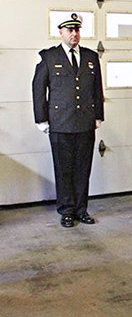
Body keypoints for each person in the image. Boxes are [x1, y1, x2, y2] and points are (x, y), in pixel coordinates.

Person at [32, 13, 104, 228]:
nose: (74, 34)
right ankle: (66, 210)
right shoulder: (49, 57)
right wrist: (41, 119)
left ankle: (81, 209)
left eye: (77, 30)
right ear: (61, 32)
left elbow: (96, 89)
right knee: (64, 169)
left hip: (85, 122)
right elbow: (38, 90)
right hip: (60, 123)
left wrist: (98, 115)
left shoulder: (91, 57)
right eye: (69, 30)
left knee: (83, 168)